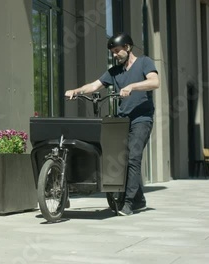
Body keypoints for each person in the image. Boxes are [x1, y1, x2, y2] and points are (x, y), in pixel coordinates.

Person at [64, 32, 160, 216]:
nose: (114, 55)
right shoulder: (114, 71)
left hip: (141, 119)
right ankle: (139, 200)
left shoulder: (144, 62)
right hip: (122, 120)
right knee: (122, 159)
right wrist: (75, 91)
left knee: (133, 157)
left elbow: (154, 82)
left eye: (117, 51)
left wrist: (132, 86)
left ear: (128, 47)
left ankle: (129, 202)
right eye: (112, 53)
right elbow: (93, 86)